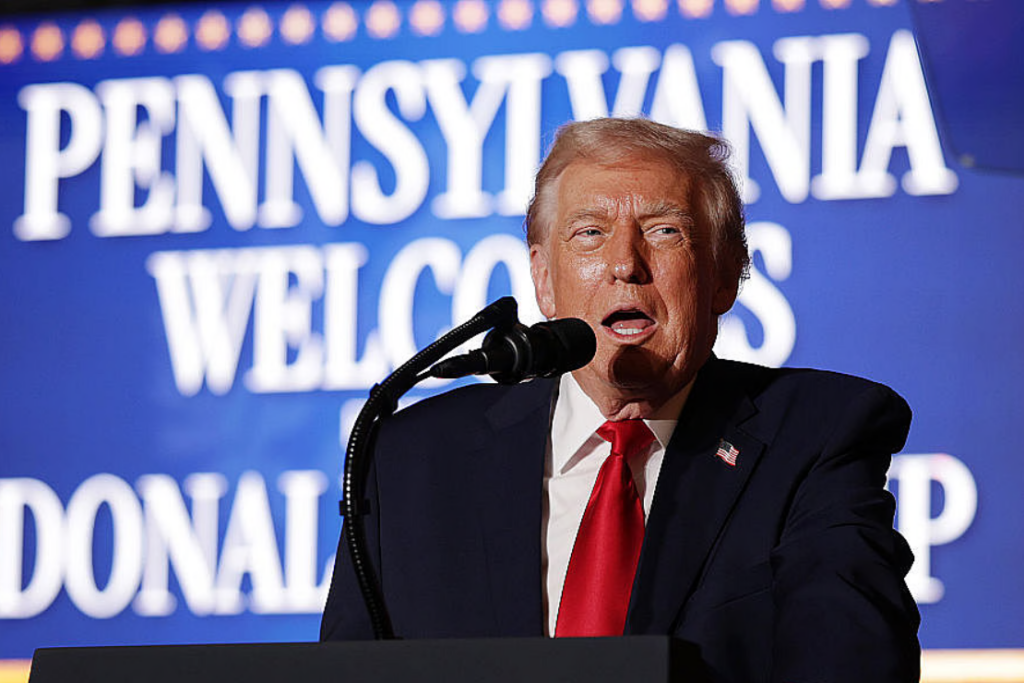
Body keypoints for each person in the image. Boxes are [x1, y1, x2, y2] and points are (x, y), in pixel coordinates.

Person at [321, 118, 920, 683]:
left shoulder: (814, 437)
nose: (625, 265)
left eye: (665, 231)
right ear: (544, 279)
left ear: (724, 276)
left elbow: (853, 662)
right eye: (590, 234)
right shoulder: (414, 459)